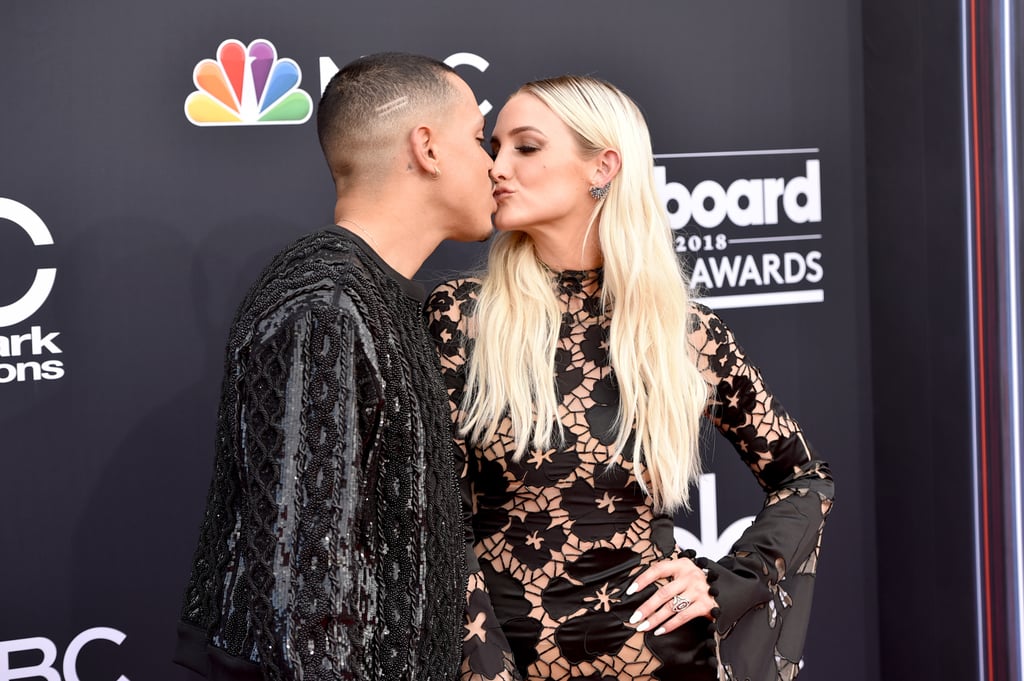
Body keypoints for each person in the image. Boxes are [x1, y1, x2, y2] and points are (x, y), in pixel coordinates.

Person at [426, 75, 834, 681]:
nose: (496, 166)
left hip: (666, 660)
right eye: (494, 145)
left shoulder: (682, 333)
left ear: (604, 166)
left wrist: (730, 579)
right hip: (505, 662)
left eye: (526, 147)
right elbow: (437, 523)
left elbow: (804, 480)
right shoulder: (462, 315)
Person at [174, 52, 518, 681]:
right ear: (428, 149)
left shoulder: (389, 299)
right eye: (477, 140)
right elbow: (302, 577)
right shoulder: (325, 304)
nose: (493, 166)